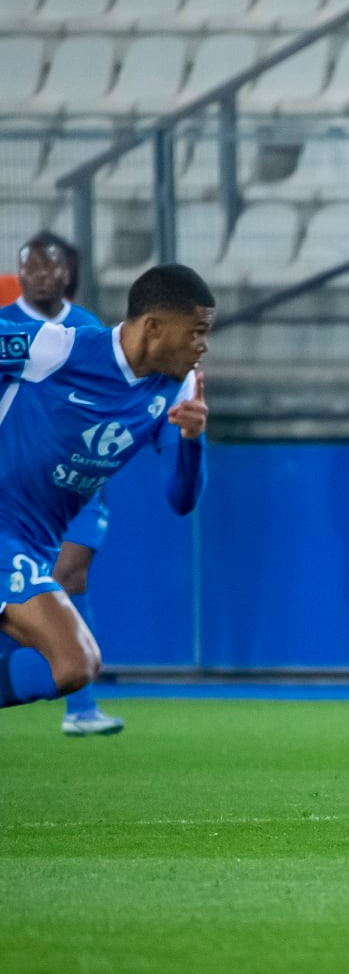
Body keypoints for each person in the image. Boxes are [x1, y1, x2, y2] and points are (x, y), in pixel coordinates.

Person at [0, 265, 213, 715]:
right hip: (5, 533)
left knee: (71, 665)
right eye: (195, 332)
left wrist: (193, 441)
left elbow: (181, 498)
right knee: (75, 661)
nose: (203, 345)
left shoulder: (180, 389)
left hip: (37, 546)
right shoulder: (56, 348)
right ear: (153, 326)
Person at [0, 232, 120, 734]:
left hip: (78, 483)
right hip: (19, 486)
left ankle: (79, 704)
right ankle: (73, 695)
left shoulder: (86, 327)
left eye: (49, 267)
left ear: (66, 274)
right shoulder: (7, 327)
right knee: (46, 586)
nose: (39, 275)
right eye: (29, 266)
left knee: (72, 574)